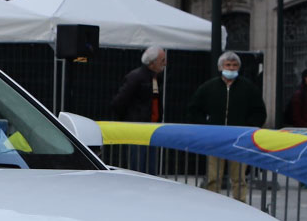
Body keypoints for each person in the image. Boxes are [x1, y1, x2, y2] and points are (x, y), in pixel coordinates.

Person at [187, 50, 266, 200]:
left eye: (234, 65)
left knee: (239, 178)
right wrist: (205, 126)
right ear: (220, 67)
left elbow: (259, 111)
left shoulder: (248, 88)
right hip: (215, 138)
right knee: (213, 176)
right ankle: (213, 203)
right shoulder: (209, 87)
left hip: (239, 139)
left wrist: (248, 127)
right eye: (228, 65)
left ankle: (240, 203)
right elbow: (194, 109)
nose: (231, 68)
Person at [106, 47, 170, 122]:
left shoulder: (156, 78)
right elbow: (118, 102)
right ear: (152, 63)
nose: (165, 63)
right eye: (162, 60)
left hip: (150, 126)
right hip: (137, 126)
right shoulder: (136, 77)